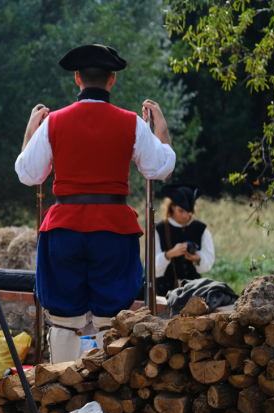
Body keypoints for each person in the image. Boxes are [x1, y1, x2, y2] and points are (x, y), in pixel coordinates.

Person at [15, 44, 176, 364]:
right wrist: (162, 132)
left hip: (64, 229)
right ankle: (104, 393)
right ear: (112, 80)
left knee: (63, 319)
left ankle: (62, 391)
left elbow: (28, 174)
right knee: (109, 318)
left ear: (77, 78)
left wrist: (29, 133)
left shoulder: (54, 122)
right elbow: (160, 169)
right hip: (113, 230)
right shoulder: (131, 123)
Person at [154, 183, 215, 297]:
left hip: (194, 291)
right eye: (181, 211)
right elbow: (151, 265)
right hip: (164, 292)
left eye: (188, 211)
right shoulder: (160, 229)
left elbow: (209, 260)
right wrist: (170, 254)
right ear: (172, 207)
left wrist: (197, 258)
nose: (185, 215)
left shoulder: (200, 229)